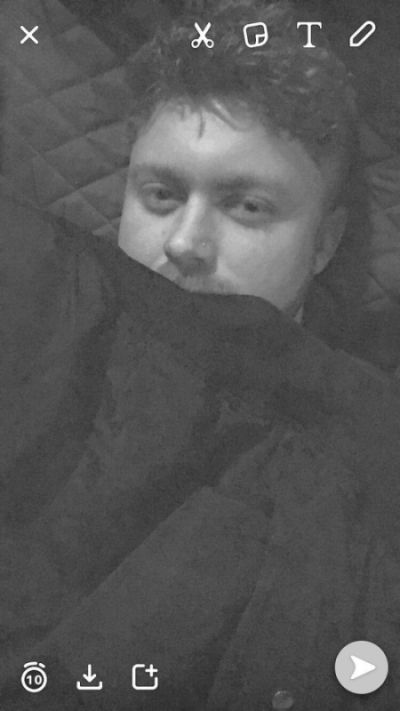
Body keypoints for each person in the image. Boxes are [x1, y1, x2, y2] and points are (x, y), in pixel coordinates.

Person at [2, 2, 400, 710]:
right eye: (160, 194)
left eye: (247, 206)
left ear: (325, 242)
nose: (185, 242)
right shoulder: (38, 294)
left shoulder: (363, 453)